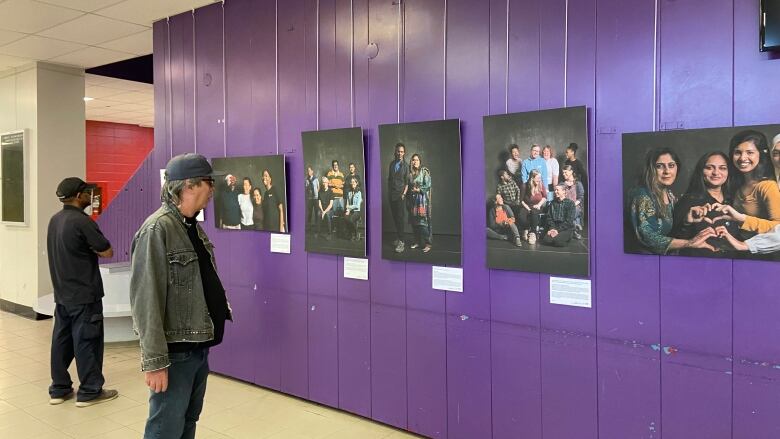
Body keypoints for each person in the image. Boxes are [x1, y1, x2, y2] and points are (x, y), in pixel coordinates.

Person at [130, 153, 231, 439]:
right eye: (209, 183)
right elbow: (145, 300)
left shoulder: (190, 227)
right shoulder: (157, 229)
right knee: (165, 429)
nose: (212, 190)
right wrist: (155, 362)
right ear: (188, 186)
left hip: (197, 348)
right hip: (176, 354)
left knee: (188, 421)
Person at [47, 177, 118, 407]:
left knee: (62, 340)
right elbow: (107, 251)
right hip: (85, 294)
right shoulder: (82, 221)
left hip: (62, 293)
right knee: (88, 340)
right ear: (79, 196)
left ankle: (59, 389)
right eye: (87, 192)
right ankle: (89, 391)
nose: (90, 195)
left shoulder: (55, 221)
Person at [628, 148, 715, 254]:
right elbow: (647, 237)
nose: (667, 171)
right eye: (659, 166)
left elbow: (672, 232)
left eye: (671, 165)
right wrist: (689, 243)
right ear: (650, 169)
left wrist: (686, 222)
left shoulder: (670, 195)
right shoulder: (642, 195)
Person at [671, 152, 740, 256]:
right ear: (701, 171)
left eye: (722, 168)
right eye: (709, 168)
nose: (716, 173)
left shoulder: (735, 200)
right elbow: (674, 241)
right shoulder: (688, 201)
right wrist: (686, 223)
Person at [407, 153, 432, 253]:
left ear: (420, 161)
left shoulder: (424, 172)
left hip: (422, 200)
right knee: (415, 222)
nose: (415, 161)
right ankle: (417, 241)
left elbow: (428, 185)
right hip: (413, 201)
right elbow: (409, 187)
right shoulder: (411, 174)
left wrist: (419, 190)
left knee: (423, 223)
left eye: (417, 160)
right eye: (413, 160)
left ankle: (428, 243)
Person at [388, 142, 409, 253]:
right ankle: (398, 237)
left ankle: (402, 241)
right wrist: (389, 193)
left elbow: (407, 183)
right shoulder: (392, 164)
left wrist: (403, 194)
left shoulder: (405, 166)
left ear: (404, 153)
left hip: (400, 196)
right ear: (395, 152)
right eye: (398, 151)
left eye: (402, 152)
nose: (400, 153)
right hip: (391, 195)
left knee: (400, 219)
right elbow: (390, 180)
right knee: (395, 218)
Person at [518, 169, 547, 245]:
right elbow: (521, 201)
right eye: (537, 178)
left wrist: (539, 205)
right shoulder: (525, 185)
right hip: (526, 205)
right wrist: (528, 208)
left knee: (534, 213)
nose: (539, 180)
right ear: (532, 178)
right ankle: (526, 229)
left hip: (537, 206)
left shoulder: (541, 184)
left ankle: (533, 233)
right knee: (521, 216)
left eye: (540, 178)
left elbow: (544, 197)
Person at [561, 164, 585, 239]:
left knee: (574, 211)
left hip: (576, 206)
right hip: (565, 206)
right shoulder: (562, 184)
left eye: (565, 172)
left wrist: (572, 205)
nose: (563, 174)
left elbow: (580, 198)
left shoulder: (578, 183)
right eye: (563, 173)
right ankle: (574, 228)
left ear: (571, 172)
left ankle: (572, 229)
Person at [343, 176, 363, 241]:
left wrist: (349, 207)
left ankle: (356, 233)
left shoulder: (359, 193)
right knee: (345, 218)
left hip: (357, 211)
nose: (353, 183)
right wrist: (348, 210)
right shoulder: (349, 193)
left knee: (351, 219)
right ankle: (352, 233)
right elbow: (348, 203)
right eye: (351, 182)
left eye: (354, 182)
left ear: (357, 183)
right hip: (351, 211)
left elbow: (357, 205)